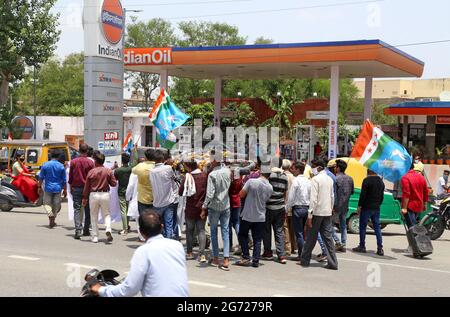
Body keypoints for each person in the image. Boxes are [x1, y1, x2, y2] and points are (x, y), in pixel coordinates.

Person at [90, 211, 189, 297]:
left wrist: (101, 289)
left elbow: (129, 289)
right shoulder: (177, 246)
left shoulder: (143, 252)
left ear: (141, 232)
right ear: (162, 227)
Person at [299, 159, 338, 270]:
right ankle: (333, 263)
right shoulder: (329, 179)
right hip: (327, 212)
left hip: (316, 212)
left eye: (313, 166)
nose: (312, 169)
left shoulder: (315, 180)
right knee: (328, 238)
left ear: (319, 167)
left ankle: (305, 260)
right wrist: (331, 209)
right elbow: (332, 196)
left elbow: (313, 200)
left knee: (311, 238)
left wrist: (310, 216)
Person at [236, 169, 273, 268]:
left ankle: (246, 257)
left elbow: (241, 194)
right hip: (260, 215)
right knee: (257, 239)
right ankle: (256, 260)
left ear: (261, 172)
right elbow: (266, 199)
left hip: (248, 214)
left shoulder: (251, 182)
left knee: (243, 235)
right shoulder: (270, 187)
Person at [201, 155, 232, 271]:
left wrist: (204, 207)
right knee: (225, 231)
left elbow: (209, 194)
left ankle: (215, 258)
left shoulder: (212, 175)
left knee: (214, 232)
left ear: (214, 160)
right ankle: (226, 259)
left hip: (214, 206)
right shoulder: (228, 171)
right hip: (226, 205)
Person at [82, 152, 117, 243]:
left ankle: (95, 236)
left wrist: (84, 198)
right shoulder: (108, 171)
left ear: (96, 161)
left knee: (93, 216)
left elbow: (87, 187)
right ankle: (108, 229)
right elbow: (114, 184)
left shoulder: (91, 172)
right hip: (105, 194)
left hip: (93, 195)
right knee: (107, 214)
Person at [179, 160, 207, 262]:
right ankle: (202, 254)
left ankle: (190, 253)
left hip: (190, 207)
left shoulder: (187, 177)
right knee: (201, 230)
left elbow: (181, 192)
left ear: (188, 166)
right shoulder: (205, 176)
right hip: (202, 207)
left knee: (189, 231)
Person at [352, 169, 385, 256]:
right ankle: (380, 248)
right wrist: (378, 204)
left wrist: (359, 206)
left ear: (368, 171)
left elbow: (363, 195)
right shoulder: (381, 182)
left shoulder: (366, 180)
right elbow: (382, 196)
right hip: (376, 208)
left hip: (366, 207)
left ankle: (362, 246)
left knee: (363, 227)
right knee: (377, 228)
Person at [262, 158, 288, 264]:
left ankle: (268, 252)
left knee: (266, 230)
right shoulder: (284, 177)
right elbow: (285, 192)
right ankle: (281, 255)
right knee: (279, 231)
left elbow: (265, 191)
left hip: (268, 207)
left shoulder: (269, 176)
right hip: (280, 207)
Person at [149, 150, 178, 239]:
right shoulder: (168, 168)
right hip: (168, 201)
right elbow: (174, 179)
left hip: (157, 202)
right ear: (163, 159)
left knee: (159, 226)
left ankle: (160, 241)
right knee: (168, 224)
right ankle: (168, 243)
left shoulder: (151, 171)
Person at [68, 143, 94, 239]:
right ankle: (86, 229)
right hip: (87, 188)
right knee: (88, 209)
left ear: (79, 150)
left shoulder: (74, 162)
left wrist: (70, 186)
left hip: (77, 188)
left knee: (77, 209)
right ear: (87, 151)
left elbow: (70, 176)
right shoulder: (90, 163)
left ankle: (78, 230)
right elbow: (92, 177)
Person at [287, 162, 311, 259]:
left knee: (299, 233)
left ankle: (302, 255)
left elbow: (291, 196)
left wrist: (287, 208)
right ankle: (304, 253)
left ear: (298, 170)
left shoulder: (296, 181)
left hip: (297, 208)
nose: (292, 170)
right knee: (304, 233)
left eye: (294, 168)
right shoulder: (308, 181)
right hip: (307, 208)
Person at [38, 150, 67, 228]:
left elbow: (41, 177)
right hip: (58, 188)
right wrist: (65, 190)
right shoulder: (61, 166)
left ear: (51, 156)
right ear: (58, 157)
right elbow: (64, 180)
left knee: (46, 204)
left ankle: (50, 215)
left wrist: (39, 186)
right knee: (56, 205)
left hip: (48, 188)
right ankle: (53, 219)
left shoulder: (45, 165)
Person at [334, 159, 354, 252]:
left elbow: (333, 193)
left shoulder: (336, 179)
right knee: (343, 225)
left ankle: (338, 242)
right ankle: (343, 243)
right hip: (345, 205)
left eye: (335, 167)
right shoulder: (350, 179)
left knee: (328, 225)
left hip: (336, 206)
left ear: (338, 168)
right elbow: (352, 192)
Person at [401, 163, 429, 229]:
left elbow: (406, 194)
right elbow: (425, 192)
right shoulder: (421, 177)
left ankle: (417, 238)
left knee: (412, 227)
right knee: (414, 225)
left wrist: (404, 208)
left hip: (410, 206)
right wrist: (424, 204)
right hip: (419, 205)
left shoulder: (405, 177)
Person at [114, 153, 133, 235]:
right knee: (128, 210)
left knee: (123, 210)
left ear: (121, 160)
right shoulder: (131, 169)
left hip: (121, 191)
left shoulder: (118, 170)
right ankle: (127, 226)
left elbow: (116, 179)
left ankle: (125, 229)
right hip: (130, 191)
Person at [132, 148, 155, 215]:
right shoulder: (157, 166)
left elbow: (133, 170)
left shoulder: (140, 166)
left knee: (143, 220)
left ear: (145, 157)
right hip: (155, 198)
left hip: (142, 198)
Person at [281, 159, 296, 256]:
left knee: (285, 227)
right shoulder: (293, 177)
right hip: (293, 205)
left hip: (284, 204)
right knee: (292, 228)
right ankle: (294, 247)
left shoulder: (282, 176)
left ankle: (287, 248)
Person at [228, 168, 243, 255]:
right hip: (238, 203)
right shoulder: (240, 181)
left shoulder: (229, 181)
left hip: (229, 203)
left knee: (228, 225)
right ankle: (241, 244)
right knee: (237, 223)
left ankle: (229, 245)